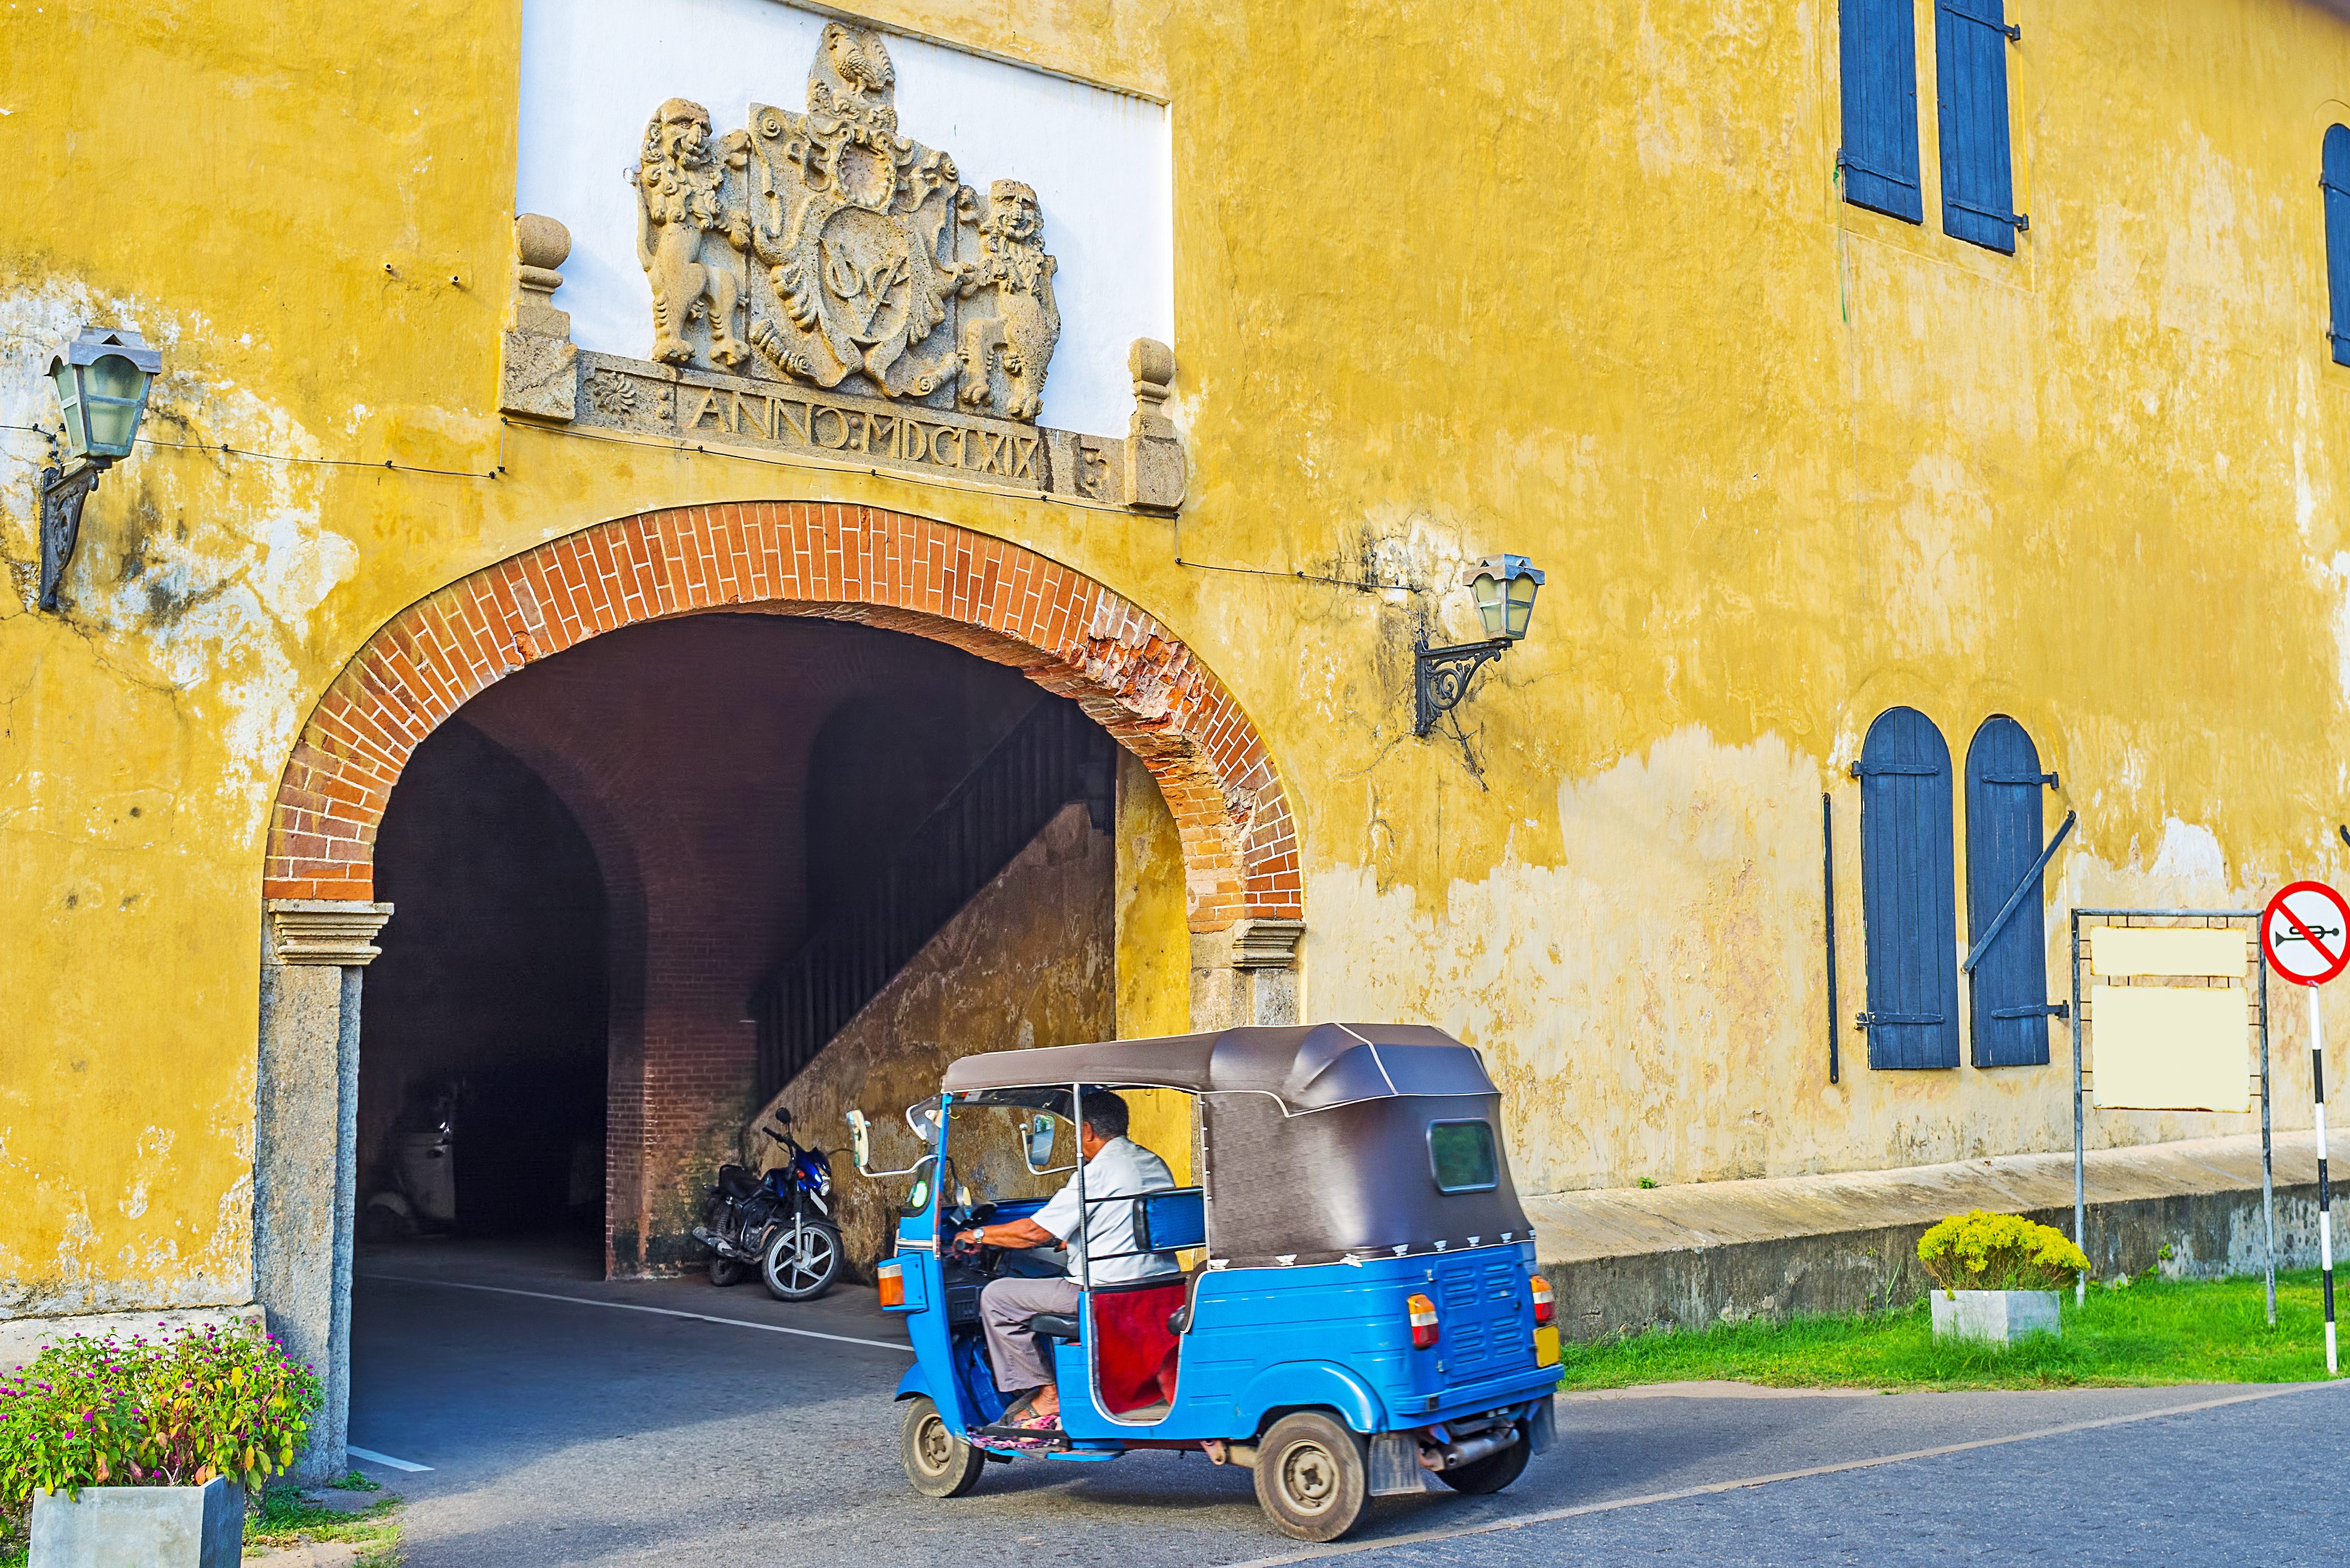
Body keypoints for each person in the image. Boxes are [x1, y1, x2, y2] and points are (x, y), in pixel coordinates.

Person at [957, 1089, 1176, 1432]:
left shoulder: (1096, 1172)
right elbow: (1126, 1219)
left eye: (1076, 1129)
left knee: (997, 1298)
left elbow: (1033, 1234)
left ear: (1087, 1130)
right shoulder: (1151, 1163)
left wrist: (977, 1236)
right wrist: (1072, 1235)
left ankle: (1048, 1394)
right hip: (1156, 1286)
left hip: (1103, 1292)